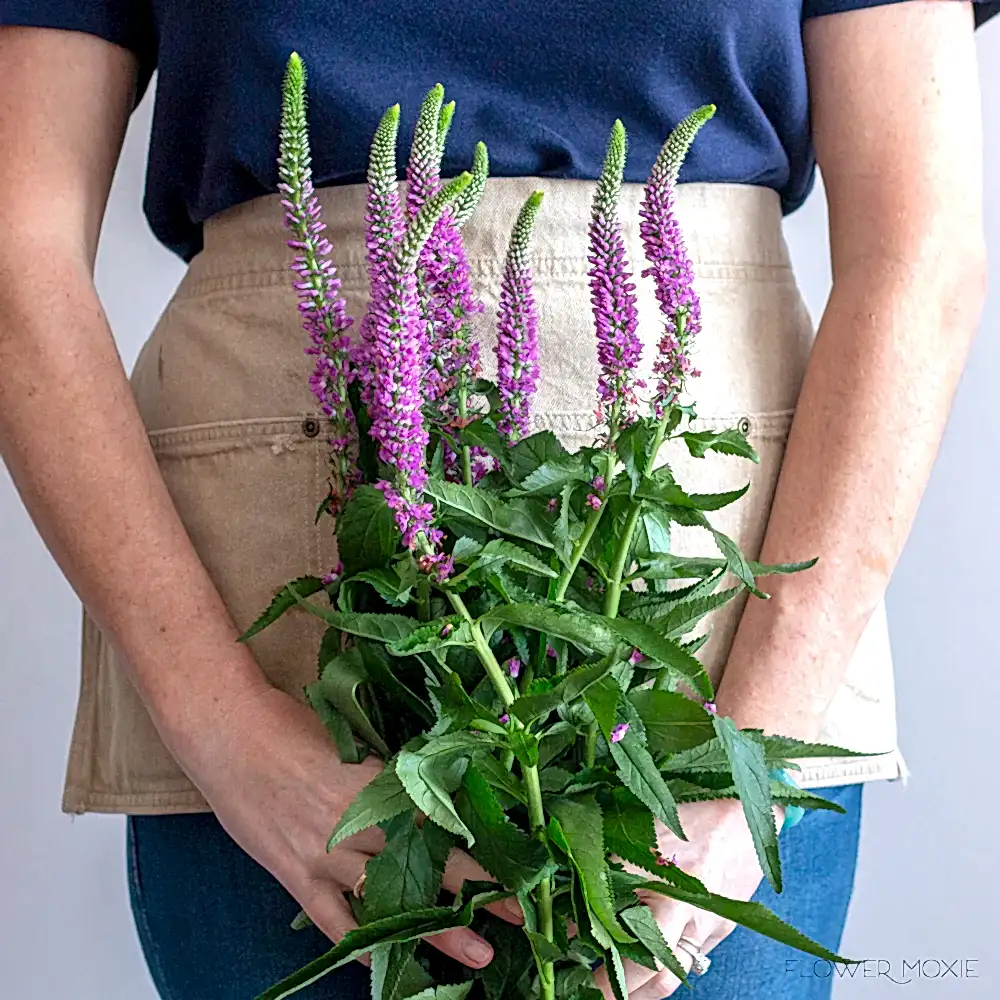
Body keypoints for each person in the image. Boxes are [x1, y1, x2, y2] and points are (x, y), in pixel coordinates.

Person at [0, 2, 993, 998]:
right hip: (270, 611)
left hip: (718, 625)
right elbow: (16, 248)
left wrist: (758, 741)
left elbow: (923, 245)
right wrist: (221, 722)